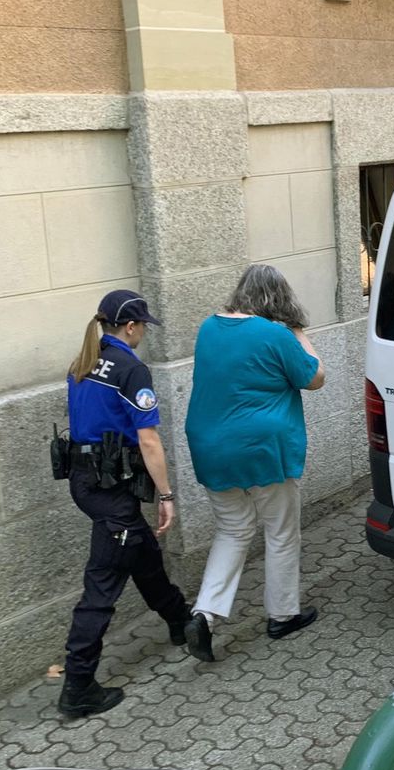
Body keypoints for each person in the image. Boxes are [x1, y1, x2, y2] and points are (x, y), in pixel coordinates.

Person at [181, 264, 326, 662]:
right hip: (262, 448)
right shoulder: (277, 334)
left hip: (210, 445)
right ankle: (283, 615)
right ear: (280, 298)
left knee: (233, 530)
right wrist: (300, 332)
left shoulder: (208, 327)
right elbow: (314, 378)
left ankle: (205, 615)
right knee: (280, 533)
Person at [59, 290, 191, 718]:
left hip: (86, 482)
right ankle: (78, 686)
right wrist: (167, 496)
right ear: (130, 327)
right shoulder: (131, 368)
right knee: (102, 586)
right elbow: (149, 440)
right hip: (111, 488)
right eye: (142, 326)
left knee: (141, 552)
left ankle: (179, 620)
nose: (143, 333)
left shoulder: (83, 359)